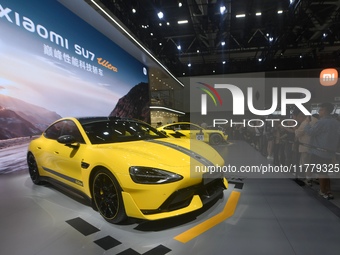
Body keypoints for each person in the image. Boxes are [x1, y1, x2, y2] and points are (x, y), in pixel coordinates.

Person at [304, 103, 340, 199]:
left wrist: (307, 124)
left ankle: (324, 191)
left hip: (319, 150)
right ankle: (327, 190)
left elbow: (311, 132)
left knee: (321, 172)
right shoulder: (336, 122)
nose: (319, 112)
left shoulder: (322, 122)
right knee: (325, 171)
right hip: (329, 151)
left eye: (321, 110)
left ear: (326, 111)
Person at [293, 108, 318, 184]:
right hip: (315, 146)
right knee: (313, 163)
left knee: (307, 164)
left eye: (296, 118)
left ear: (300, 115)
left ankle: (308, 179)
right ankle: (313, 178)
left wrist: (295, 128)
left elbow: (298, 134)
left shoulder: (305, 122)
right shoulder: (315, 120)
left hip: (306, 146)